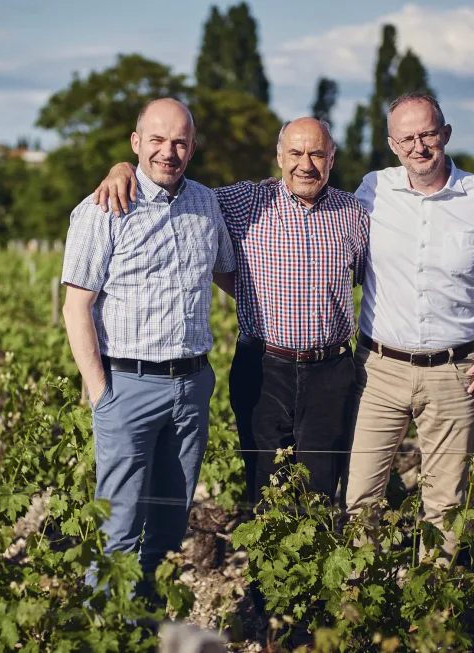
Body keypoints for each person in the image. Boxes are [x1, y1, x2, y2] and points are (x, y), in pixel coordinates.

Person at [94, 118, 369, 508]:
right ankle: (268, 569)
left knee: (320, 489)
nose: (305, 164)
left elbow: (379, 278)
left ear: (332, 158)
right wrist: (122, 169)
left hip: (331, 371)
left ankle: (315, 567)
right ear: (278, 157)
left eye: (317, 153)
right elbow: (175, 187)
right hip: (264, 368)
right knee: (264, 485)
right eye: (295, 152)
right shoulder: (245, 201)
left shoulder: (353, 213)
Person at [344, 92, 474, 558]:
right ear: (393, 145)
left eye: (428, 134)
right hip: (378, 369)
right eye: (407, 137)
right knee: (360, 499)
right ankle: (360, 611)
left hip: (456, 373)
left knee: (446, 506)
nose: (419, 146)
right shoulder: (372, 189)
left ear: (446, 135)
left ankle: (434, 616)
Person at [61, 98, 236, 590]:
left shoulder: (206, 202)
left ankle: (146, 630)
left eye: (180, 142)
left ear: (193, 148)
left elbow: (226, 274)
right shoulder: (105, 207)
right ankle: (106, 634)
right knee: (116, 531)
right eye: (156, 140)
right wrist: (101, 394)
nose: (168, 151)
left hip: (192, 386)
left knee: (167, 529)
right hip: (127, 386)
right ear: (136, 144)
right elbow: (77, 307)